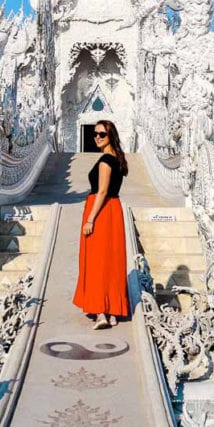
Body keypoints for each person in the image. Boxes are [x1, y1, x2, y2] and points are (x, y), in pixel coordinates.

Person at [73, 120, 130, 329]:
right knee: (111, 261)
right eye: (94, 134)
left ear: (110, 136)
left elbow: (102, 191)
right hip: (113, 211)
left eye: (101, 134)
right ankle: (112, 310)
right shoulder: (119, 158)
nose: (96, 137)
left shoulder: (106, 160)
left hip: (101, 211)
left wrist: (90, 219)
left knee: (97, 262)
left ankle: (101, 313)